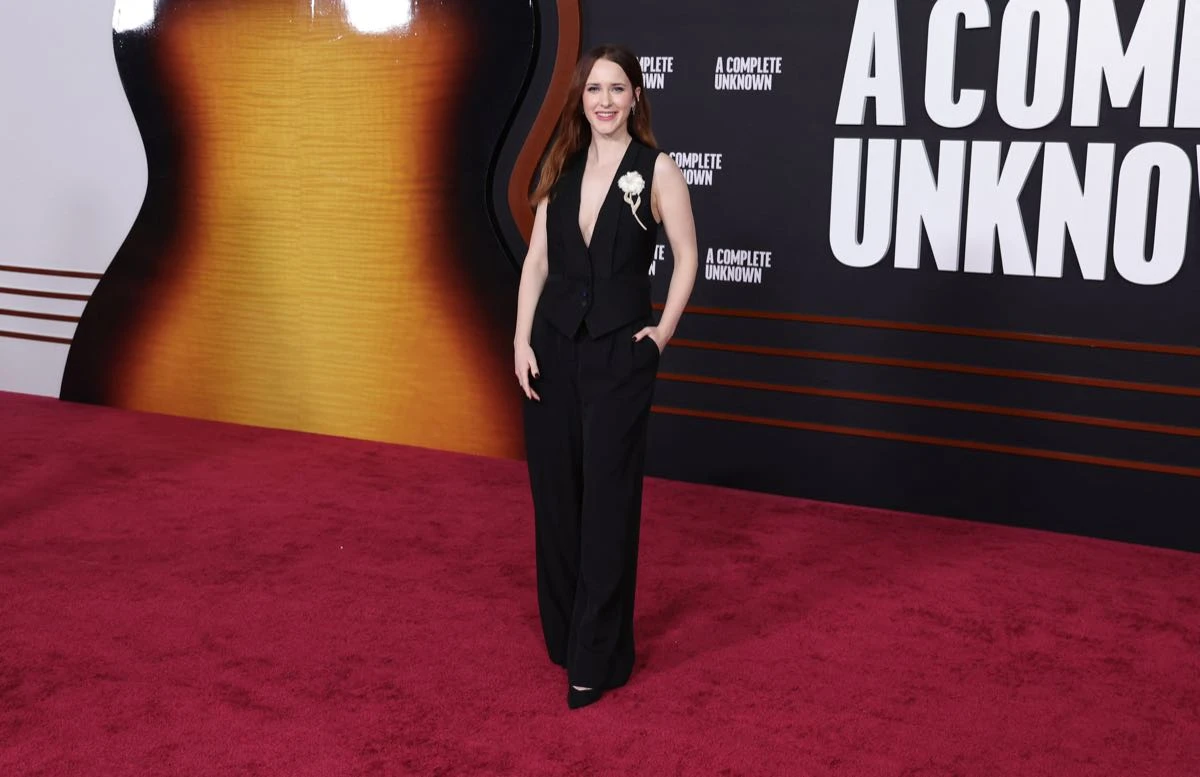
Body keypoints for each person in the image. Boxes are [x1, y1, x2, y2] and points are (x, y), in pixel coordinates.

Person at [512, 44, 698, 710]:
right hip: (553, 353)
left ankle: (596, 656)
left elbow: (687, 255)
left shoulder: (657, 168)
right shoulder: (561, 167)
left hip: (620, 356)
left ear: (636, 96)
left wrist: (662, 333)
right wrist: (520, 340)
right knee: (557, 499)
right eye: (595, 88)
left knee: (608, 506)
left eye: (618, 88)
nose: (605, 100)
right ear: (581, 98)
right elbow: (538, 262)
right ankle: (567, 635)